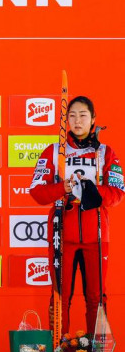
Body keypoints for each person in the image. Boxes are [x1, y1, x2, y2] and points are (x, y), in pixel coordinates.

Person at [30, 96, 123, 336]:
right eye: (72, 115)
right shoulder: (53, 152)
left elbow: (117, 193)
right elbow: (37, 192)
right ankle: (60, 351)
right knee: (60, 296)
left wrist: (92, 189)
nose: (77, 120)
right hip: (63, 235)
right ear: (65, 119)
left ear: (93, 119)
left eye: (83, 115)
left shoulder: (105, 152)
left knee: (96, 297)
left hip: (97, 236)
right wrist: (63, 188)